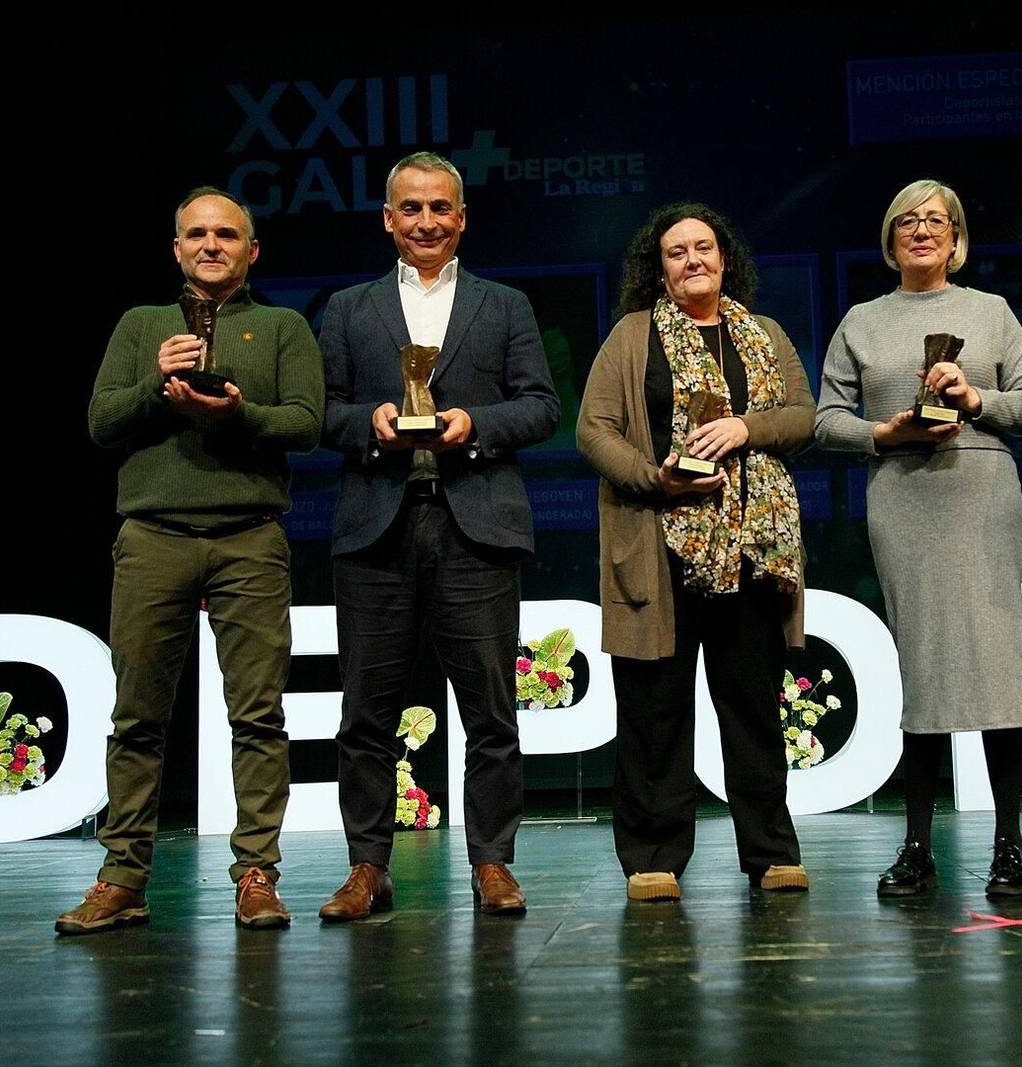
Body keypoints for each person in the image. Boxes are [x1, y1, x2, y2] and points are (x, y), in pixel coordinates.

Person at [60, 187, 324, 934]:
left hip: (249, 538)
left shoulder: (283, 326)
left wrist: (236, 413)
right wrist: (156, 384)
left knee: (258, 715)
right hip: (153, 537)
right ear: (176, 248)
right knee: (137, 716)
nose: (212, 244)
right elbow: (101, 422)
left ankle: (257, 874)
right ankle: (123, 877)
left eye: (227, 234)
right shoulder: (142, 324)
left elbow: (306, 424)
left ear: (252, 250)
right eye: (198, 234)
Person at [319, 152, 559, 918]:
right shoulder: (349, 308)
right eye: (411, 208)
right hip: (376, 526)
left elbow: (542, 405)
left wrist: (473, 424)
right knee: (365, 713)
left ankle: (492, 863)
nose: (426, 222)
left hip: (475, 525)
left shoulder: (505, 305)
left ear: (462, 217)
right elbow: (319, 410)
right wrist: (369, 422)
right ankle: (366, 865)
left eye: (440, 208)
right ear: (388, 219)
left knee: (490, 711)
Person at [815, 179, 1022, 900]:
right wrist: (885, 432)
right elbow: (826, 421)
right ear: (890, 239)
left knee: (995, 663)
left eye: (936, 220)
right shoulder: (862, 320)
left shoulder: (992, 311)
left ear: (956, 237)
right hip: (903, 494)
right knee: (923, 667)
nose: (921, 230)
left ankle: (1009, 846)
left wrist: (974, 399)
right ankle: (918, 846)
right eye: (907, 221)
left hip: (981, 491)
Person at [578, 202, 813, 902]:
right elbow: (594, 430)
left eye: (703, 247)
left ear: (724, 257)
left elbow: (804, 418)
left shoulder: (763, 333)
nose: (692, 261)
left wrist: (745, 428)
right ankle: (652, 857)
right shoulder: (632, 336)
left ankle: (770, 853)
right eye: (676, 252)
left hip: (752, 550)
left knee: (753, 708)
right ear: (660, 271)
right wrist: (657, 479)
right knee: (654, 711)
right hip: (659, 546)